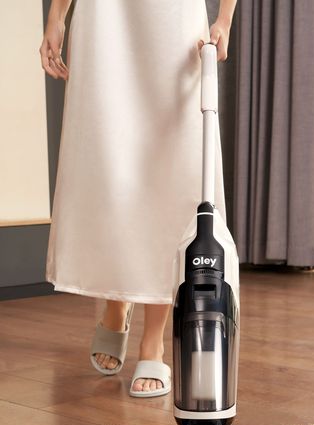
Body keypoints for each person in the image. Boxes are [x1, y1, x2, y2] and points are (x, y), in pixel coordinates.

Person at [40, 0, 237, 397]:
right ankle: (117, 300)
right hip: (105, 15)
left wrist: (224, 19)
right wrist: (56, 16)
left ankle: (153, 343)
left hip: (173, 20)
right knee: (108, 158)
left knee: (170, 170)